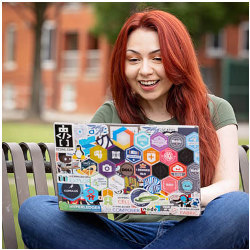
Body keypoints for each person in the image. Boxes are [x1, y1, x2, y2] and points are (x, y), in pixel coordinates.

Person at [18, 9, 249, 249]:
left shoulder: (216, 110)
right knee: (35, 211)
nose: (145, 70)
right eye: (134, 59)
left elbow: (228, 185)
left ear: (178, 58)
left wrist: (172, 199)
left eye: (158, 58)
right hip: (120, 235)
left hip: (194, 231)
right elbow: (84, 188)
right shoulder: (109, 114)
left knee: (240, 206)